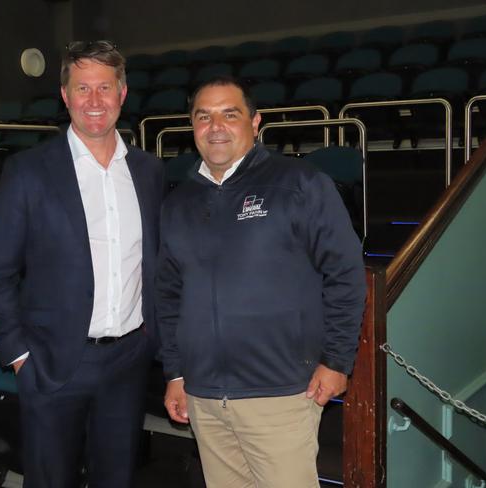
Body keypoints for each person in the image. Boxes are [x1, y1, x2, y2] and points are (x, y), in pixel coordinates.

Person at [156, 76, 366, 488]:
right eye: (204, 116)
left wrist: (338, 361)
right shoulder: (178, 203)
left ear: (255, 123)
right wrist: (175, 373)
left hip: (282, 393)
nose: (215, 126)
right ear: (192, 127)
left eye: (229, 114)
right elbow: (168, 293)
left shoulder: (300, 184)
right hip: (204, 395)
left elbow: (345, 274)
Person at [0, 40, 163, 488]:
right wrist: (20, 356)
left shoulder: (149, 171)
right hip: (53, 363)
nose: (95, 101)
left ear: (123, 93)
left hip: (128, 360)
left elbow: (155, 263)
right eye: (83, 88)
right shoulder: (28, 171)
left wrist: (153, 341)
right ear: (65, 95)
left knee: (116, 478)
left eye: (105, 87)